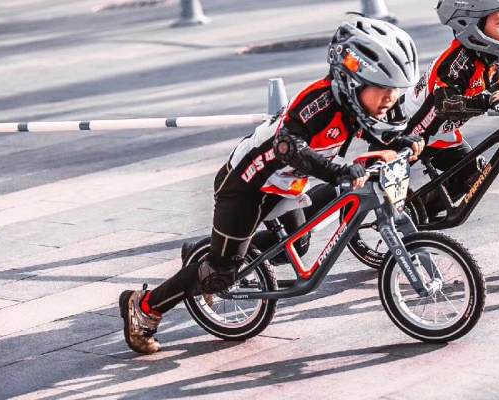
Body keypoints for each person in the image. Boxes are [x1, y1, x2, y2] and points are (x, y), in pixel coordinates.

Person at [119, 15, 425, 354]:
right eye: (382, 89)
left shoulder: (353, 105)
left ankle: (210, 252)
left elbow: (375, 131)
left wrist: (404, 141)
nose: (389, 99)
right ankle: (145, 305)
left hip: (284, 185)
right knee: (220, 275)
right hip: (246, 186)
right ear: (351, 80)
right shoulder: (319, 103)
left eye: (395, 91)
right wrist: (338, 171)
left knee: (299, 243)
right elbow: (287, 147)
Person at [402, 0, 499, 215]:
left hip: (440, 133)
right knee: (385, 185)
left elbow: (494, 80)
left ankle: (418, 216)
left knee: (474, 174)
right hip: (408, 130)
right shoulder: (457, 62)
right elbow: (445, 104)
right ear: (473, 27)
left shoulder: (482, 55)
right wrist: (487, 100)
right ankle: (402, 216)